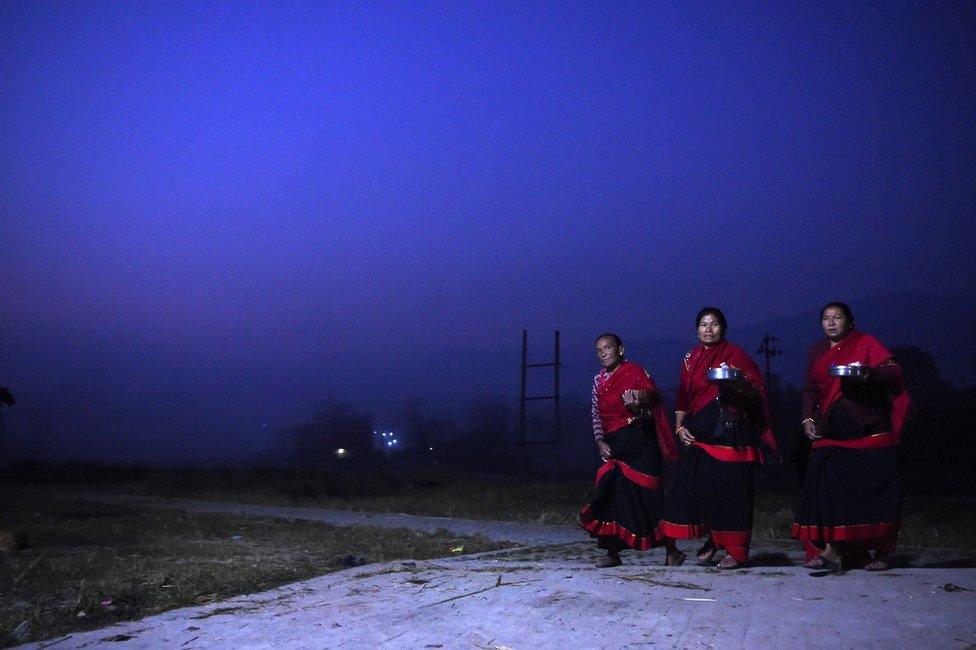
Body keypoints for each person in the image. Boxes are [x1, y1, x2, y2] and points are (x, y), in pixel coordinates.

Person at [792, 302, 911, 572]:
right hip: (832, 432)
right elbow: (810, 389)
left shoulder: (866, 343)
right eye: (826, 318)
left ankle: (882, 551)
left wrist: (868, 372)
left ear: (850, 322)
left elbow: (893, 374)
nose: (831, 322)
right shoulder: (817, 351)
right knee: (827, 486)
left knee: (875, 492)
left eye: (838, 317)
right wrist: (807, 418)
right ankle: (833, 550)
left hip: (868, 427)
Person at [660, 308, 778, 570]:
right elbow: (683, 396)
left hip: (731, 434)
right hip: (701, 434)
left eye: (714, 324)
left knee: (732, 492)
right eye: (703, 324)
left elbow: (757, 390)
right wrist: (679, 427)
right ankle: (713, 538)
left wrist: (736, 383)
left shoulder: (735, 355)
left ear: (723, 329)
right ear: (696, 329)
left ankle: (736, 551)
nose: (708, 329)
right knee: (695, 488)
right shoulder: (691, 358)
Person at [579, 333, 684, 567]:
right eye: (598, 350)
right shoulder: (598, 381)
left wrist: (636, 406)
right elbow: (596, 415)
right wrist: (600, 442)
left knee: (651, 497)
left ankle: (672, 551)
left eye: (608, 348)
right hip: (615, 445)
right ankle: (612, 553)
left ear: (621, 350)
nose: (603, 353)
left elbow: (651, 409)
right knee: (610, 495)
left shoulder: (636, 373)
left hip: (640, 443)